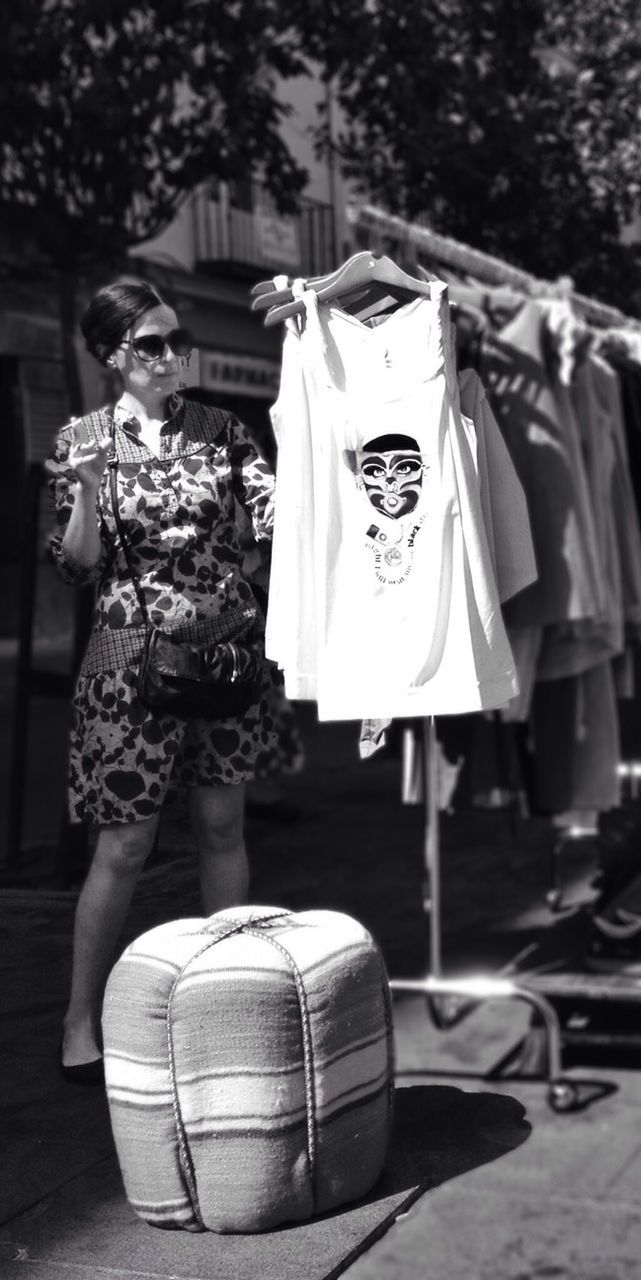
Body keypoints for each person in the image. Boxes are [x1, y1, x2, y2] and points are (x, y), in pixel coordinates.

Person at [46, 281, 278, 1082]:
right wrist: (84, 484)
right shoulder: (83, 438)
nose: (174, 355)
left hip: (221, 653)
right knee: (124, 844)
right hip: (127, 666)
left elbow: (275, 517)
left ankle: (230, 1006)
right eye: (153, 344)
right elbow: (76, 565)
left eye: (178, 341)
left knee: (222, 826)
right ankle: (81, 1018)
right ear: (113, 354)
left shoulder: (224, 431)